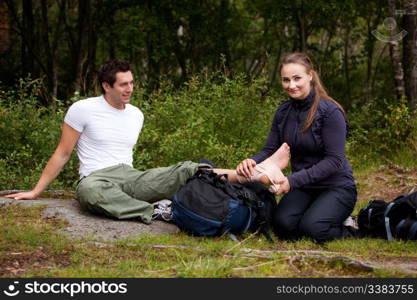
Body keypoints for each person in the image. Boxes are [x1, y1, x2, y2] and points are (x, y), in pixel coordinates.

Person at [5, 59, 289, 224]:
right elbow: (62, 153)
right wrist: (35, 191)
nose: (130, 89)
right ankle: (155, 211)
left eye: (131, 82)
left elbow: (127, 160)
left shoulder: (136, 114)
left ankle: (255, 174)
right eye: (123, 84)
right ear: (107, 86)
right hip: (97, 179)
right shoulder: (82, 109)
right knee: (89, 193)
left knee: (186, 168)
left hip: (130, 177)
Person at [236, 52, 357, 243]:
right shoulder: (283, 112)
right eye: (286, 80)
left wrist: (290, 181)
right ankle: (318, 216)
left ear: (310, 75)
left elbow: (334, 161)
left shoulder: (330, 111)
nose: (291, 85)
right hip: (304, 186)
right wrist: (251, 161)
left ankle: (353, 228)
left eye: (297, 78)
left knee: (313, 230)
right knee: (282, 225)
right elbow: (270, 149)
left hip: (336, 186)